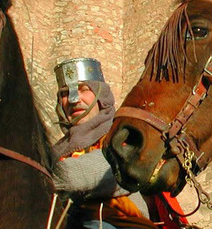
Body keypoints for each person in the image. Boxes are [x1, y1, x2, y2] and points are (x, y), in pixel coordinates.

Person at [52, 58, 186, 229]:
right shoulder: (55, 152)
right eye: (65, 93)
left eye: (83, 89)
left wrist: (47, 176)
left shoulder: (123, 135)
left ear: (101, 95)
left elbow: (110, 171)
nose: (73, 99)